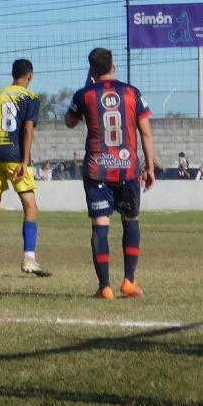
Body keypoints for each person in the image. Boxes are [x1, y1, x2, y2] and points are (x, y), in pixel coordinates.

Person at [65, 47, 156, 300]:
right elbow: (146, 133)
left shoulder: (85, 95)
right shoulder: (131, 93)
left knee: (100, 225)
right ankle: (129, 281)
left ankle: (104, 287)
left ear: (92, 70)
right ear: (113, 66)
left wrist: (88, 83)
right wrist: (149, 167)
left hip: (97, 169)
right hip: (127, 168)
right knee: (131, 219)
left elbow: (69, 121)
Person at [0, 58, 49, 277]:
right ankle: (29, 259)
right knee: (30, 206)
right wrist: (25, 160)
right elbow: (27, 130)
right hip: (15, 156)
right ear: (30, 76)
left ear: (12, 74)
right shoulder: (31, 97)